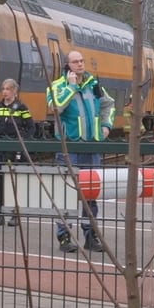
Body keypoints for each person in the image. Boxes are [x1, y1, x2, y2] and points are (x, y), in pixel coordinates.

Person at [47, 50, 113, 253]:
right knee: (66, 192)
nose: (80, 64)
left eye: (82, 61)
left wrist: (106, 126)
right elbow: (55, 107)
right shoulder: (58, 86)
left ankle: (90, 236)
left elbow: (109, 105)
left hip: (91, 146)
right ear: (67, 65)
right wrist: (72, 87)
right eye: (75, 62)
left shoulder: (94, 85)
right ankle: (64, 236)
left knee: (90, 194)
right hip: (69, 147)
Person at [0, 78, 35, 226]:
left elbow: (31, 127)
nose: (5, 92)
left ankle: (15, 213)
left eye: (8, 89)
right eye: (3, 89)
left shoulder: (21, 108)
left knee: (14, 181)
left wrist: (21, 141)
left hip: (14, 150)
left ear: (15, 91)